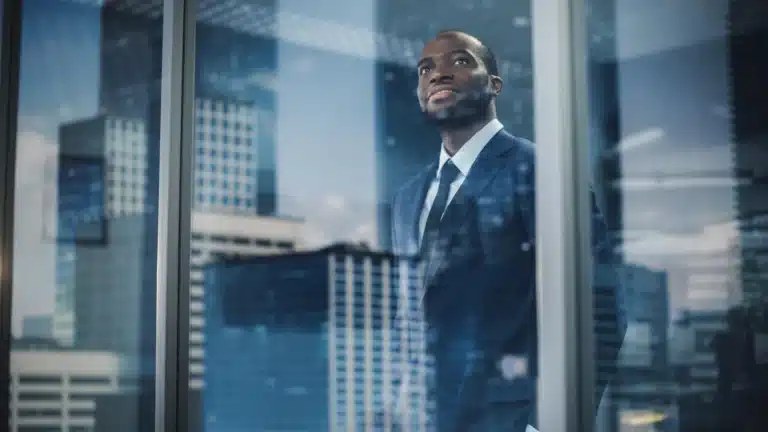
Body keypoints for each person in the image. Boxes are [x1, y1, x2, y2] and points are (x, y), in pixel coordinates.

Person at [387, 30, 626, 431]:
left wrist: (545, 425)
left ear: (495, 84)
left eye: (459, 61)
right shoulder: (408, 198)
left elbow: (601, 308)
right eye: (425, 69)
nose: (438, 74)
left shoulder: (539, 169)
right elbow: (409, 315)